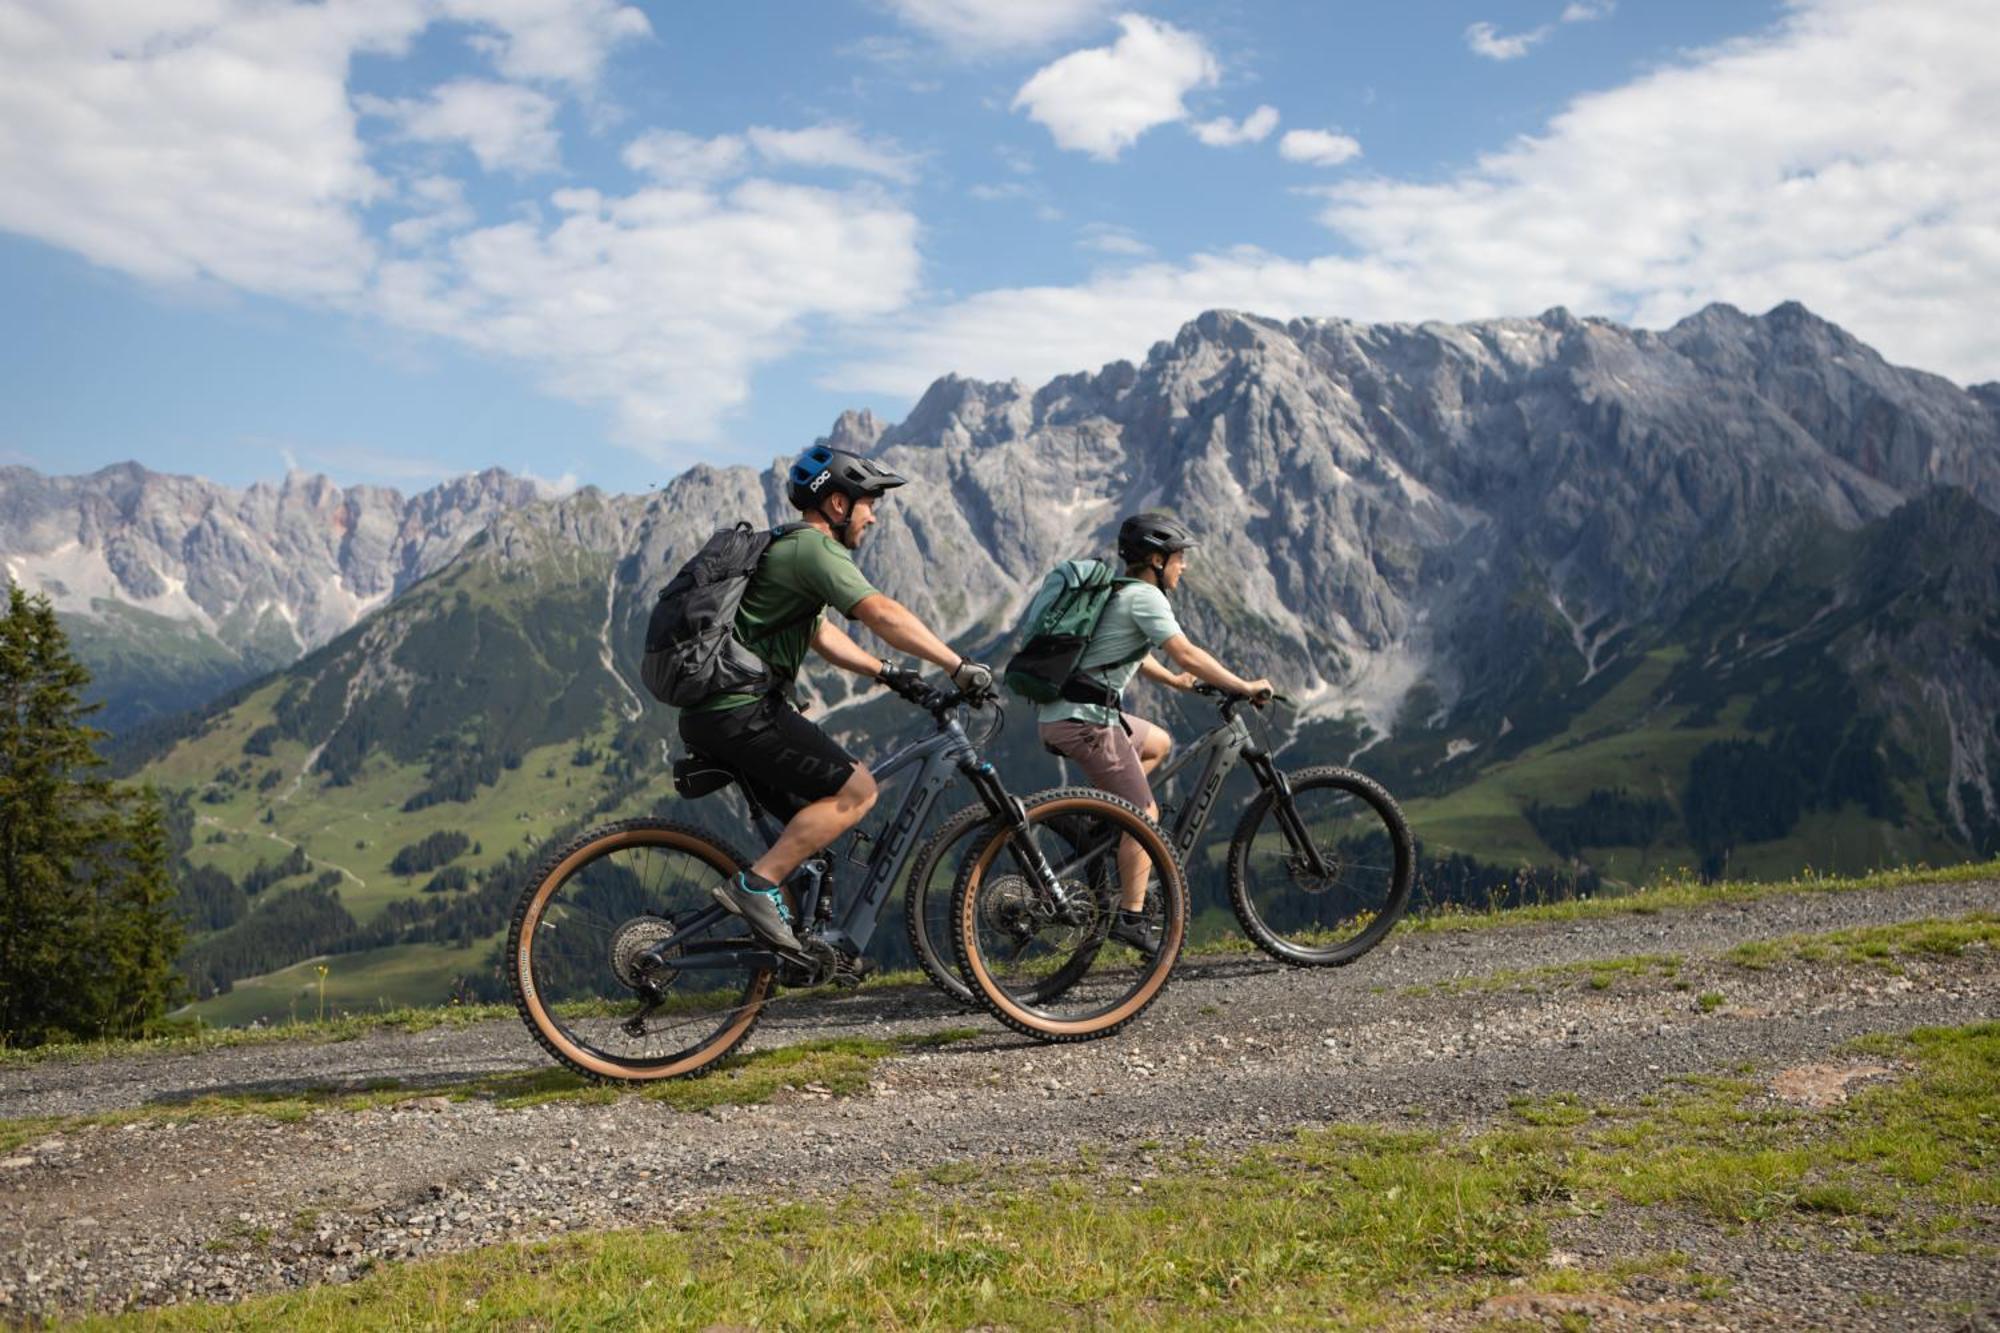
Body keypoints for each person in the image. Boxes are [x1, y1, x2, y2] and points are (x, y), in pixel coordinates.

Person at [680, 444, 993, 952]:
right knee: (859, 791)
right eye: (869, 502)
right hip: (743, 710)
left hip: (719, 712)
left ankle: (798, 948)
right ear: (839, 505)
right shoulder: (814, 549)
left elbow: (820, 635)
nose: (874, 517)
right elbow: (880, 612)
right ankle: (756, 889)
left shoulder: (788, 549)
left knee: (809, 843)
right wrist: (955, 665)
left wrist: (888, 673)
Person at [1037, 511, 1273, 951]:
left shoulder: (1117, 592)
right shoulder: (1146, 597)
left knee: (1159, 742)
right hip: (1087, 721)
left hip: (1067, 714)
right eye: (1179, 557)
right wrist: (1242, 686)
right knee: (1145, 816)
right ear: (1155, 559)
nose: (1184, 566)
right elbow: (1186, 652)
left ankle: (1103, 827)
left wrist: (1172, 682)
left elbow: (1129, 651)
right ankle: (1130, 916)